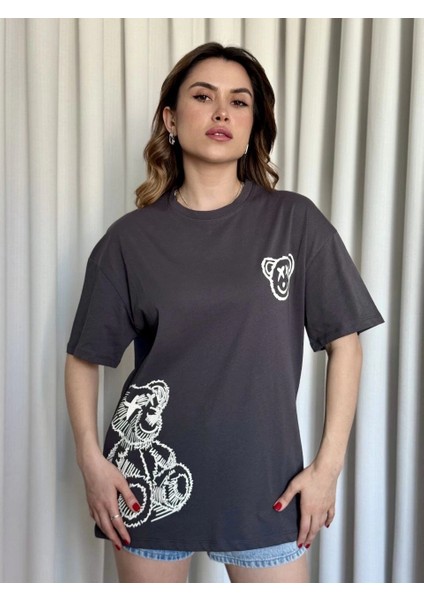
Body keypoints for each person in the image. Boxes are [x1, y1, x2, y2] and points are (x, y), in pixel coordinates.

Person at [65, 42, 384, 583]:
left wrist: (327, 469)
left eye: (239, 102)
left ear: (253, 123)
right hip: (147, 485)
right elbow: (84, 356)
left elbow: (345, 344)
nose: (221, 113)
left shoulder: (295, 222)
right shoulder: (129, 240)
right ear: (171, 119)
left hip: (267, 484)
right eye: (203, 96)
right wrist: (91, 462)